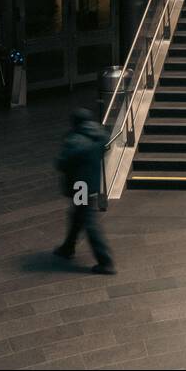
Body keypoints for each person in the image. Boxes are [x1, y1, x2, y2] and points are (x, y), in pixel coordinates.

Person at [55, 109, 115, 274]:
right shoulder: (99, 133)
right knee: (77, 216)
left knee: (88, 220)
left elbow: (62, 162)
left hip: (80, 185)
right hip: (92, 182)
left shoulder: (76, 140)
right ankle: (68, 247)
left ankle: (105, 261)